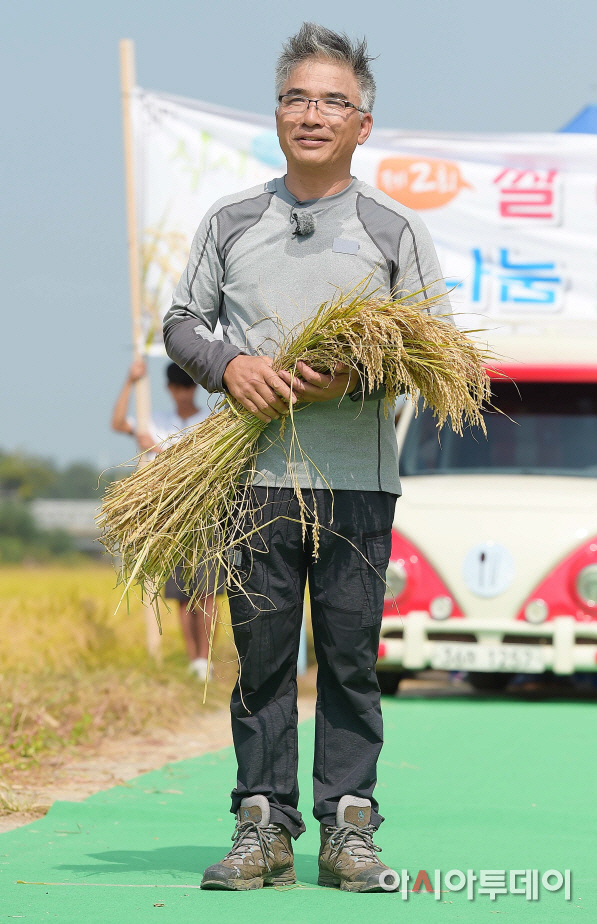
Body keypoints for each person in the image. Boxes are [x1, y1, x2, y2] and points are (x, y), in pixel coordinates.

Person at [163, 22, 452, 892]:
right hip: (250, 478)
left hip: (357, 481)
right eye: (296, 97)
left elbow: (431, 349)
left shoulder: (393, 228)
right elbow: (181, 324)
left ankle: (349, 828)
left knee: (352, 659)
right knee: (261, 658)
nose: (312, 112)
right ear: (278, 115)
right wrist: (232, 365)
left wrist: (354, 372)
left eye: (333, 100)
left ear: (364, 123)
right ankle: (262, 826)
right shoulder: (233, 220)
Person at [111, 358, 218, 680]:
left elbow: (199, 463)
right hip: (168, 519)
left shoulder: (210, 421)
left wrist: (155, 449)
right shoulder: (154, 419)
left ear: (195, 387)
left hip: (204, 512)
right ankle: (194, 661)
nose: (183, 394)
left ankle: (207, 658)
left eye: (187, 387)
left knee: (208, 592)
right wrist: (130, 381)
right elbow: (118, 424)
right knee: (183, 595)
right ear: (169, 389)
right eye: (177, 388)